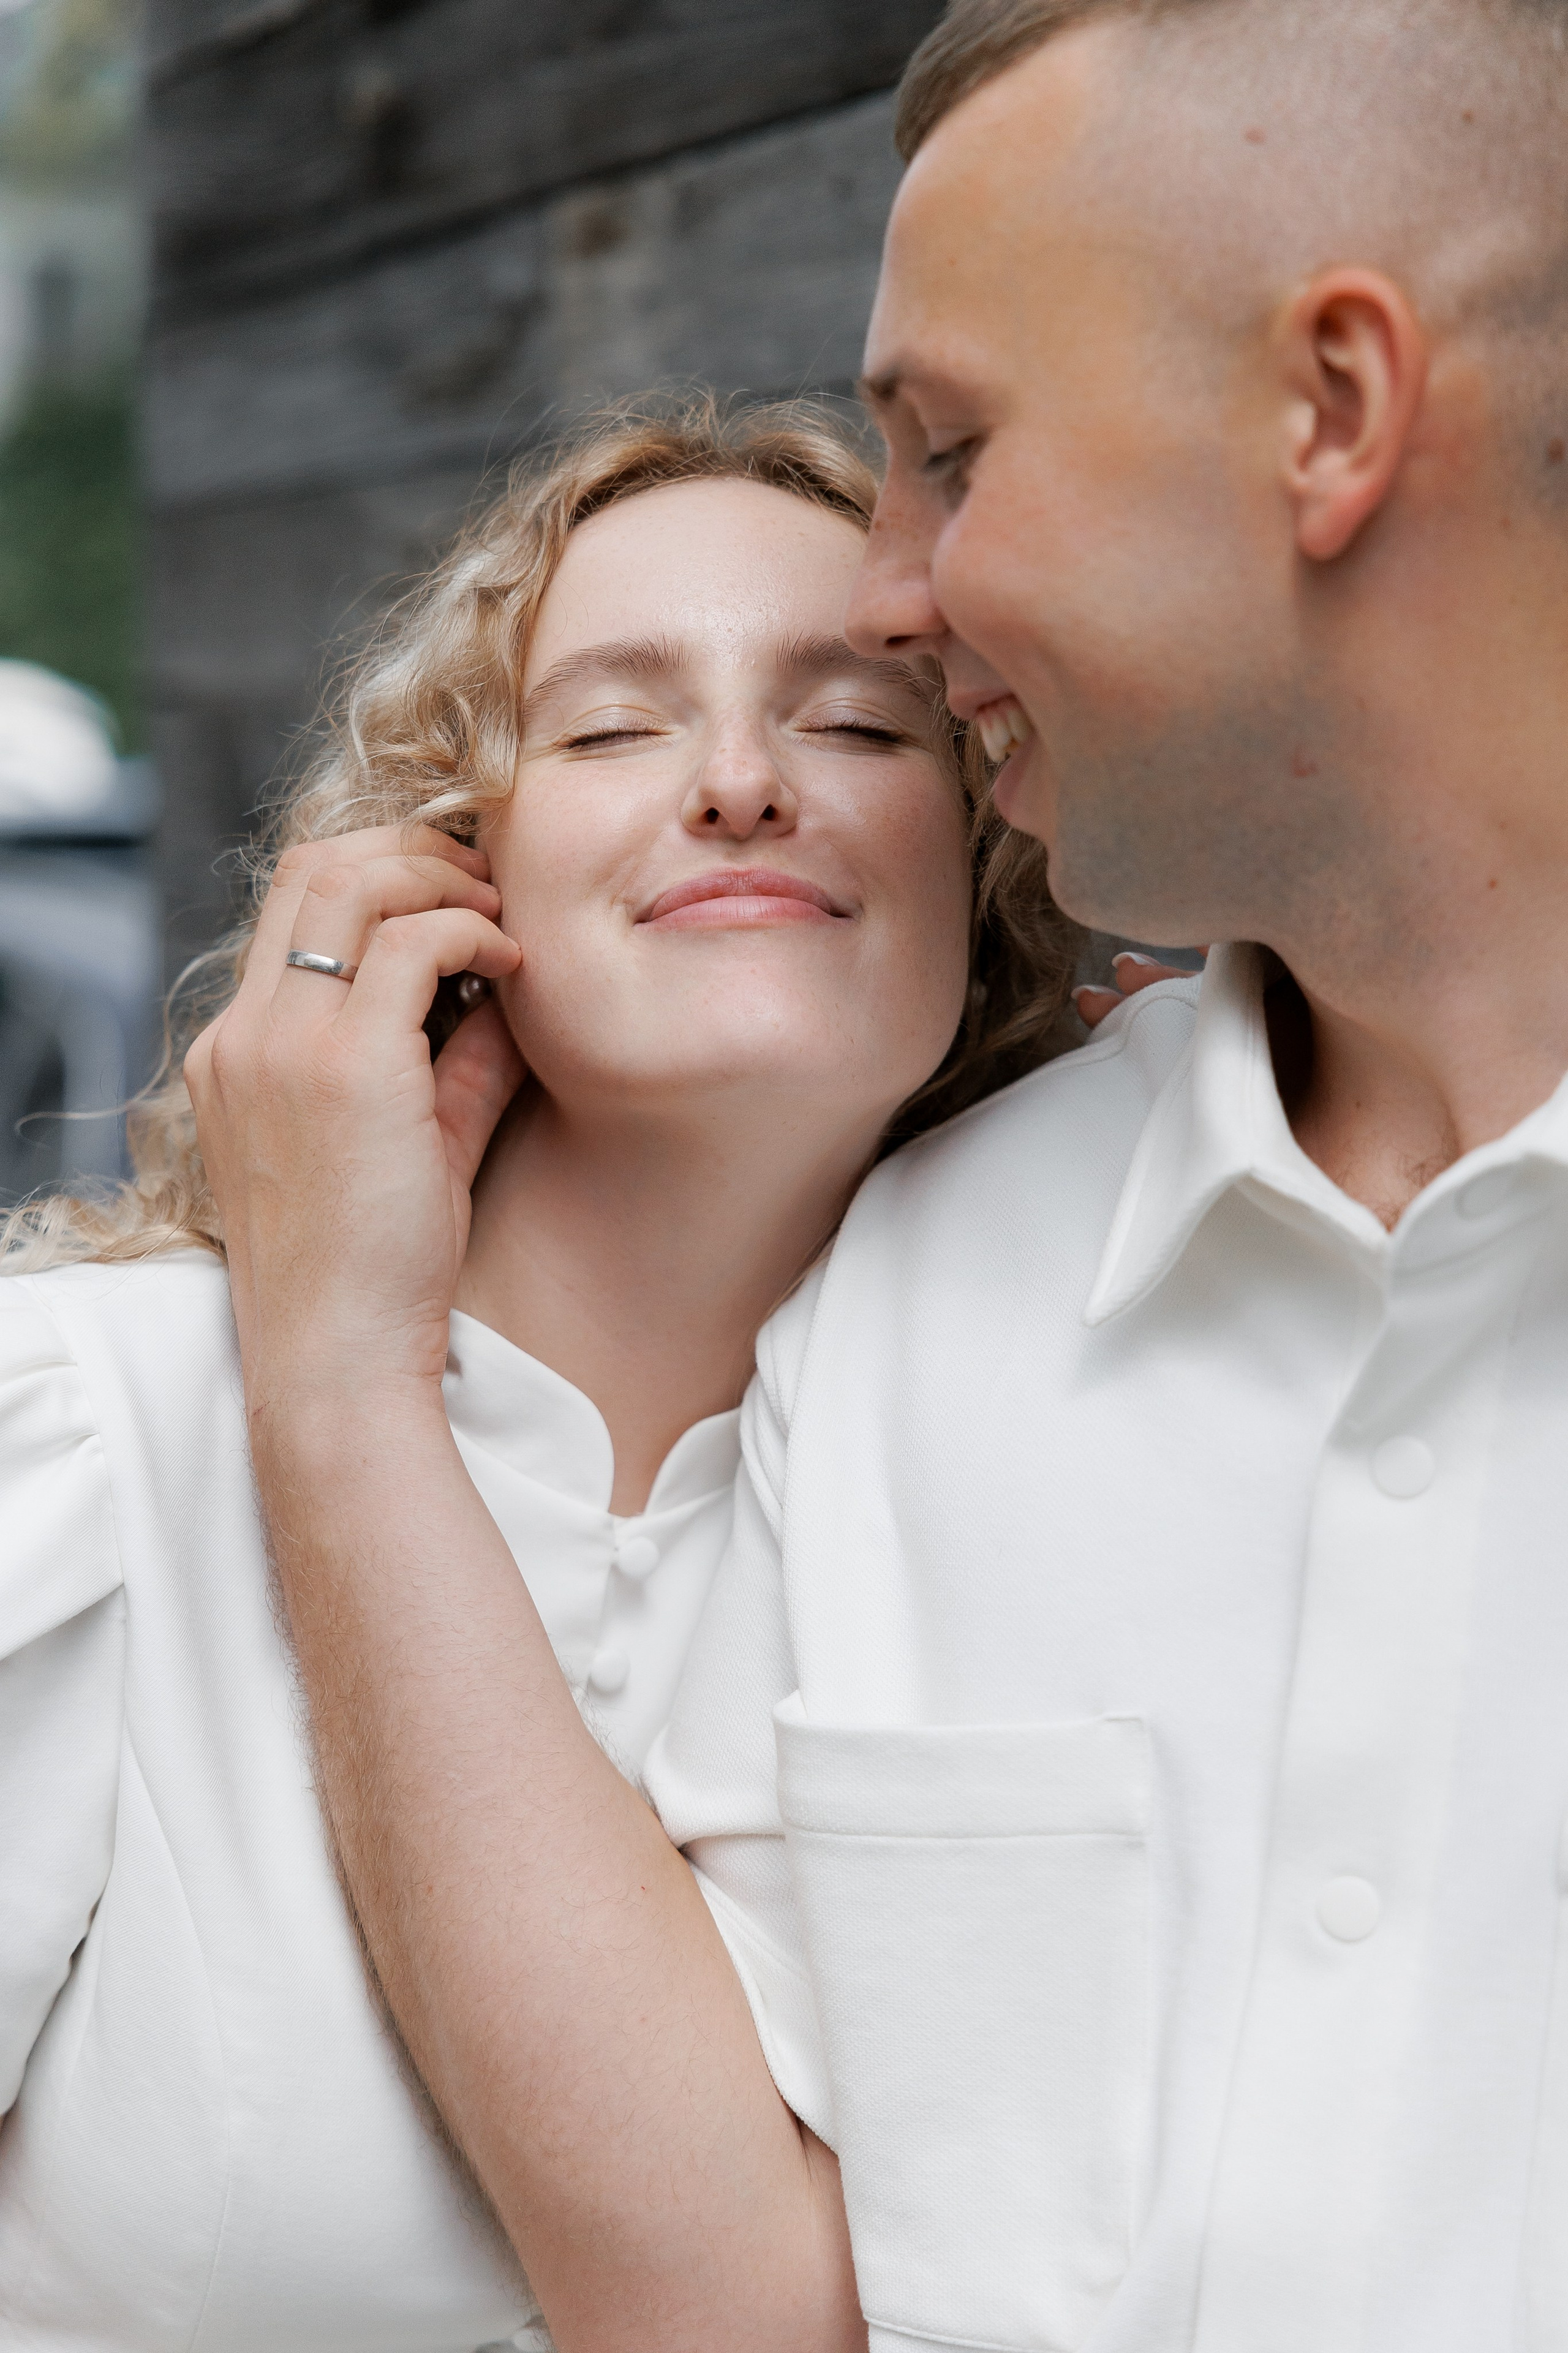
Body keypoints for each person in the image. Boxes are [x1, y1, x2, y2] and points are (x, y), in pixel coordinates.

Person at [190, 1, 1568, 2349]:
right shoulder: (915, 1293)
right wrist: (331, 1379)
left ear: (1332, 413)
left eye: (948, 448)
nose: (898, 589)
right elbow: (730, 2296)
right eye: (614, 720)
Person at [0, 396, 1088, 2347]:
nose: (745, 781)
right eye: (611, 724)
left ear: (992, 866)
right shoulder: (95, 1422)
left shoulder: (1022, 1495)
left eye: (857, 720)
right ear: (448, 871)